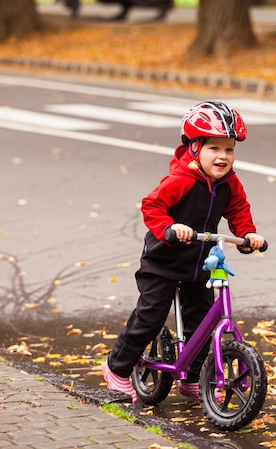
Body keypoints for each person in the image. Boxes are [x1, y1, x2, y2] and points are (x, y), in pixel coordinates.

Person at [103, 101, 265, 403]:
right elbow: (153, 205)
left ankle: (192, 379)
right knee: (151, 315)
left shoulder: (229, 183)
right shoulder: (181, 180)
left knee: (202, 322)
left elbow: (239, 210)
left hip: (200, 263)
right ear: (194, 147)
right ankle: (118, 368)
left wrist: (247, 234)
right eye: (214, 148)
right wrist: (169, 227)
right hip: (164, 260)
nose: (223, 156)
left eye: (229, 149)